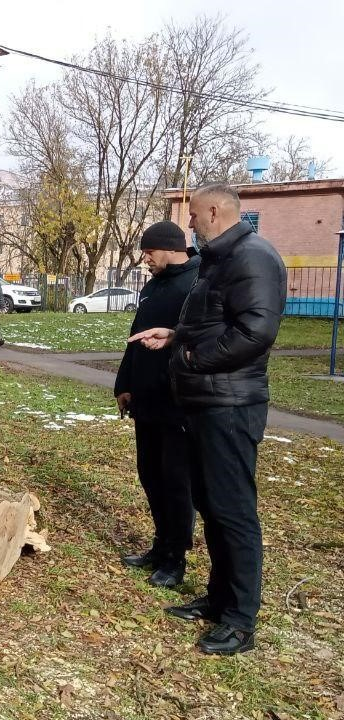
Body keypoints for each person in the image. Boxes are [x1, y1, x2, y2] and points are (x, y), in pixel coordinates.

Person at [128, 183, 286, 655]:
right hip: (202, 403)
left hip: (230, 406)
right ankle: (219, 600)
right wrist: (175, 336)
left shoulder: (253, 257)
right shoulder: (219, 260)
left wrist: (191, 357)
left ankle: (239, 620)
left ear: (214, 211)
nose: (189, 224)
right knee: (212, 505)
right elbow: (214, 324)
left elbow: (256, 331)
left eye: (194, 215)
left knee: (233, 511)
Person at [114, 221, 200, 588]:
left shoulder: (197, 283)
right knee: (150, 475)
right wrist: (124, 383)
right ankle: (159, 546)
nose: (145, 259)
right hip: (145, 399)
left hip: (178, 401)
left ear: (168, 248)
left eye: (148, 252)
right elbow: (136, 337)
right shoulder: (153, 286)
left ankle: (175, 558)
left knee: (176, 482)